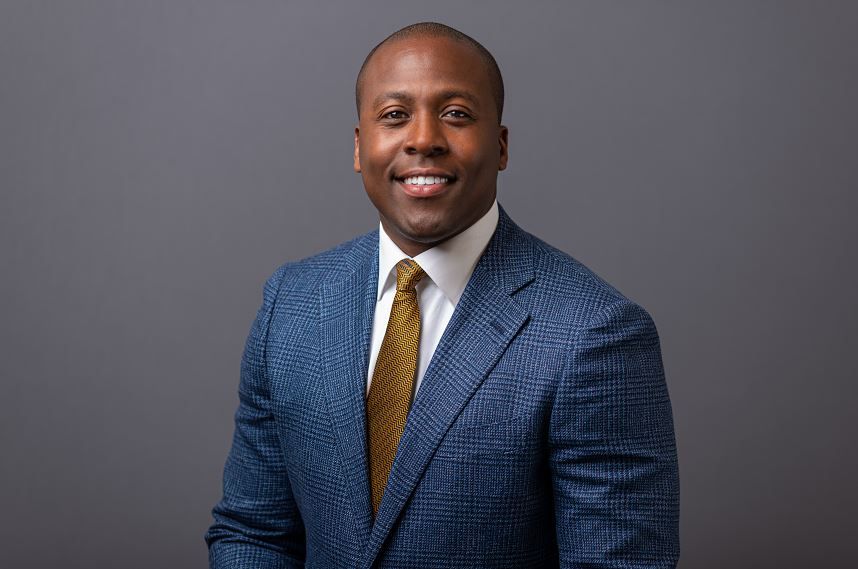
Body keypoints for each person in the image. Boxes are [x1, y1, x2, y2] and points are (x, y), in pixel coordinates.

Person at [205, 22, 679, 568]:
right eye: (394, 115)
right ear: (360, 147)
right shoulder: (292, 303)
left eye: (455, 114)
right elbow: (253, 532)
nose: (423, 138)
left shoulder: (593, 334)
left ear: (500, 147)